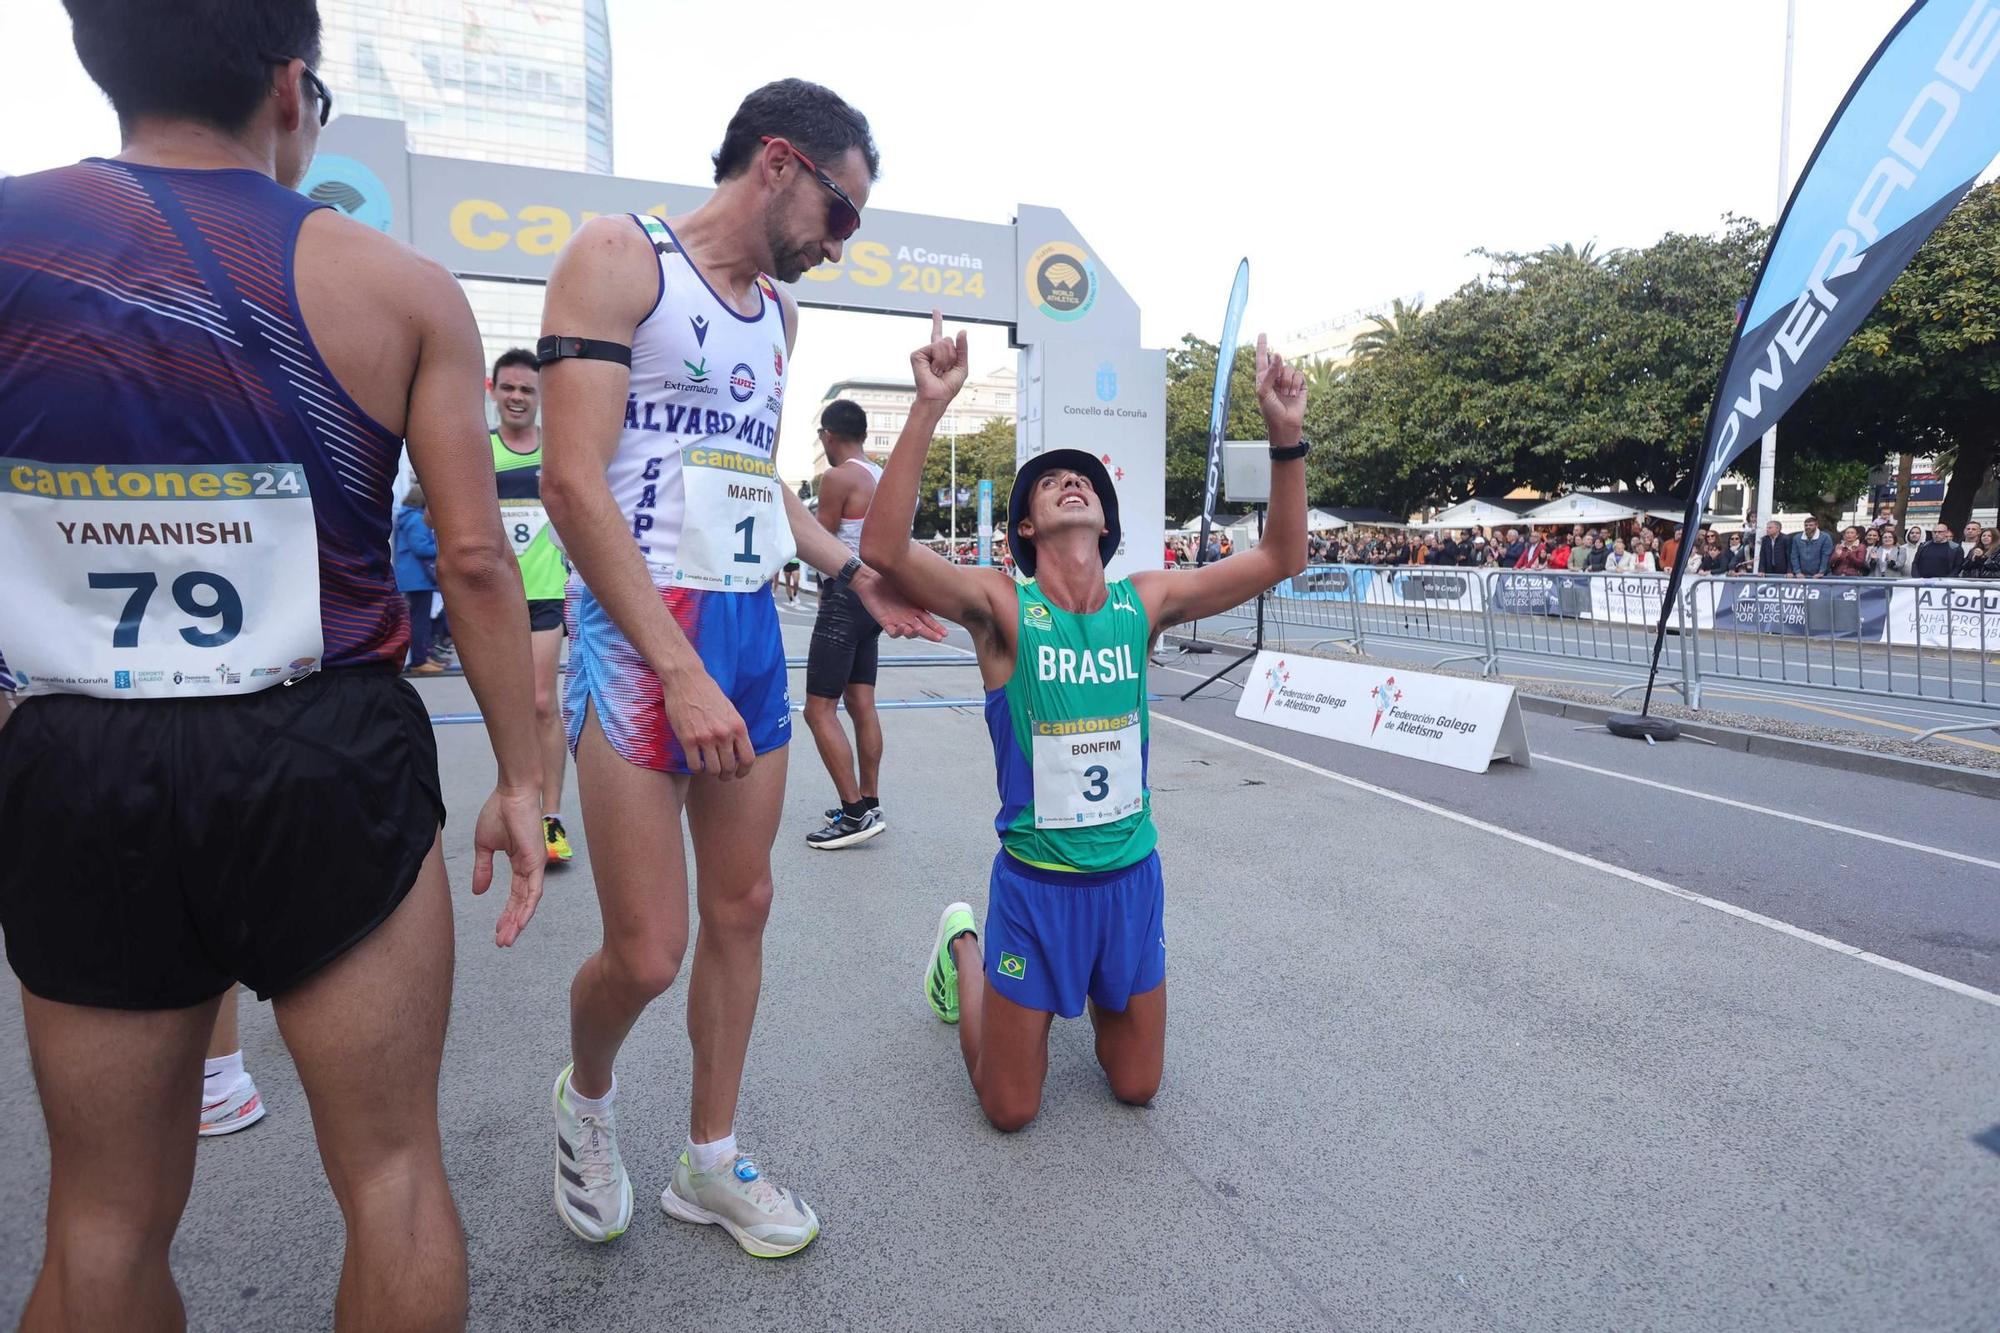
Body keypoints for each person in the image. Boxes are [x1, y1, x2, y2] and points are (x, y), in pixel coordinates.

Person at [0, 4, 549, 1327]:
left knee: (101, 1227)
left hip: (81, 754)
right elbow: (476, 562)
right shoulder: (403, 286)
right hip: (328, 753)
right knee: (395, 1179)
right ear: (294, 88)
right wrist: (524, 780)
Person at [535, 78, 942, 1256]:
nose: (840, 241)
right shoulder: (619, 258)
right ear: (778, 163)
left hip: (742, 633)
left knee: (744, 905)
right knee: (647, 949)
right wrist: (675, 667)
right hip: (637, 638)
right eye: (842, 211)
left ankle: (708, 1161)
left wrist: (851, 572)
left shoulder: (778, 316)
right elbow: (570, 482)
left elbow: (748, 483)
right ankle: (588, 1102)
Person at [859, 317, 1308, 1132]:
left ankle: (1096, 993)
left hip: (1129, 883)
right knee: (1009, 1109)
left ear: (1105, 519)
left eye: (1085, 480)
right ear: (1026, 528)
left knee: (1136, 1086)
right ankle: (963, 945)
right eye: (1050, 480)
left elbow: (1282, 557)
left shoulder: (1147, 601)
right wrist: (929, 405)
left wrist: (1286, 439)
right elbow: (885, 547)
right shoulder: (1003, 607)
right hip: (1037, 886)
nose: (1072, 481)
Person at [489, 347, 578, 865]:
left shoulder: (558, 450)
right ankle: (512, 804)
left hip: (547, 593)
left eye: (527, 389)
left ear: (540, 396)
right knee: (509, 708)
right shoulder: (479, 451)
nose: (518, 397)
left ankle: (551, 819)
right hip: (496, 599)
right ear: (493, 391)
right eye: (509, 388)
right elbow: (441, 517)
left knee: (543, 702)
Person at [802, 399, 889, 848]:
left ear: (828, 436)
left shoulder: (838, 477)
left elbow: (816, 538)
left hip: (846, 592)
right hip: (877, 596)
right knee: (861, 702)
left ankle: (854, 813)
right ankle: (869, 800)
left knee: (818, 709)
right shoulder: (883, 476)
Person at [395, 483, 447, 675]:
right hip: (418, 578)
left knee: (420, 620)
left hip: (413, 577)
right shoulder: (417, 520)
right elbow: (420, 548)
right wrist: (443, 548)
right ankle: (419, 660)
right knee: (421, 621)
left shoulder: (407, 517)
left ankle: (422, 657)